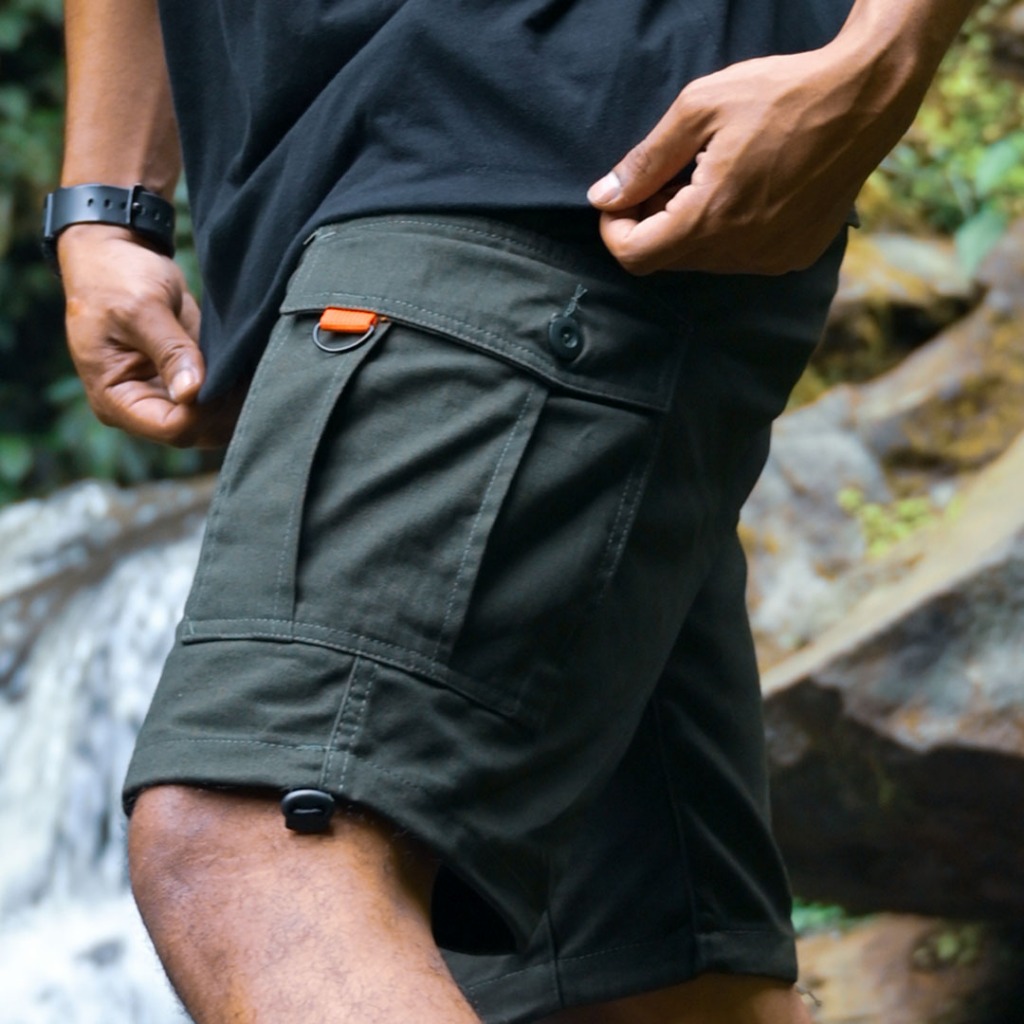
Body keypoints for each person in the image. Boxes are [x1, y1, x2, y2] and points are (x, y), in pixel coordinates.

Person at [51, 0, 976, 1021]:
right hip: (371, 195)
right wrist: (106, 205)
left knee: (251, 846)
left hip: (552, 148)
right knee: (636, 985)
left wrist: (886, 47)